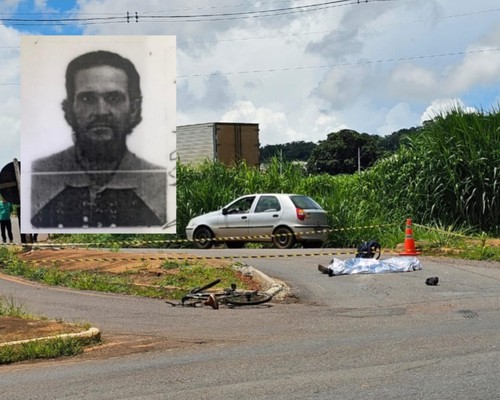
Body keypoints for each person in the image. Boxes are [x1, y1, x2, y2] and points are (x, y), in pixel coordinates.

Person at [30, 50, 167, 229]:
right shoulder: (39, 176)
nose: (101, 111)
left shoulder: (159, 184)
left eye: (114, 98)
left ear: (134, 109)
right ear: (68, 110)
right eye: (88, 98)